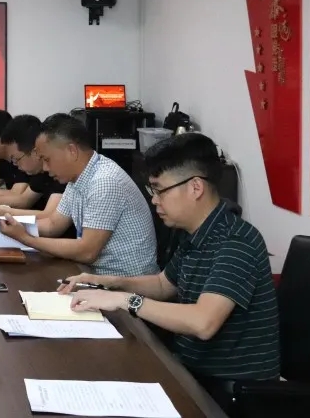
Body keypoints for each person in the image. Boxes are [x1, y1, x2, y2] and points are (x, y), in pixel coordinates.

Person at [60, 133, 280, 408]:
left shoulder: (237, 242)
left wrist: (124, 300)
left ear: (195, 187)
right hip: (190, 372)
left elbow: (203, 323)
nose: (154, 200)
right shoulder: (196, 232)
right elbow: (164, 284)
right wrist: (107, 282)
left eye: (159, 190)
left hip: (229, 393)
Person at [0, 113, 158, 277]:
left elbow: (87, 252)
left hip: (125, 283)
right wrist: (10, 227)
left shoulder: (104, 181)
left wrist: (26, 238)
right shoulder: (77, 178)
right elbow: (53, 224)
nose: (45, 168)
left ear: (72, 151)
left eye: (47, 159)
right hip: (95, 275)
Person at [0, 114, 66, 219]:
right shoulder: (39, 172)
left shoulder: (60, 173)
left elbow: (51, 220)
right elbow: (24, 200)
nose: (14, 164)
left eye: (16, 159)